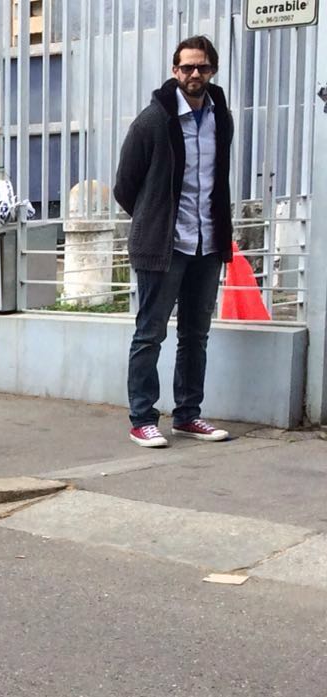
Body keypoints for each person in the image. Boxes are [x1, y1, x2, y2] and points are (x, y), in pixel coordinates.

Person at [114, 34, 233, 448]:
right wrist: (153, 220)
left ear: (212, 70)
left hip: (207, 244)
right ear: (174, 71)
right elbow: (125, 186)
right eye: (186, 67)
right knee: (150, 334)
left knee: (195, 336)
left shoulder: (221, 117)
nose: (193, 74)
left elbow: (217, 180)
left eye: (201, 67)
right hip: (163, 246)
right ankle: (142, 418)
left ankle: (187, 416)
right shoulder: (153, 120)